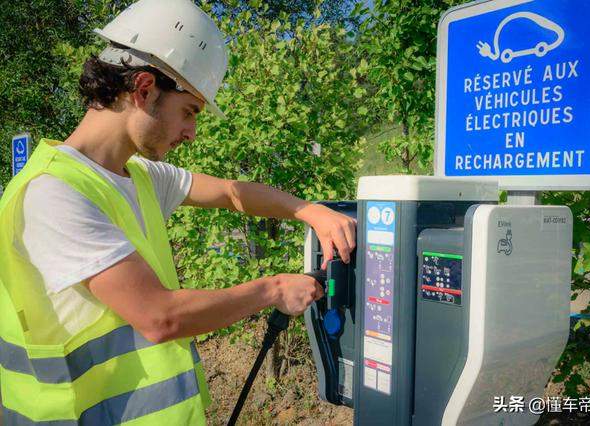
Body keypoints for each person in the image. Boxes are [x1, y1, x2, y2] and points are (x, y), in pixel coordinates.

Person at [0, 0, 356, 424]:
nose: (191, 132)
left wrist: (308, 211)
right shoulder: (55, 193)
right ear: (144, 89)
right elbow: (160, 317)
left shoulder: (139, 175)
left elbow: (230, 192)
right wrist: (273, 289)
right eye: (189, 112)